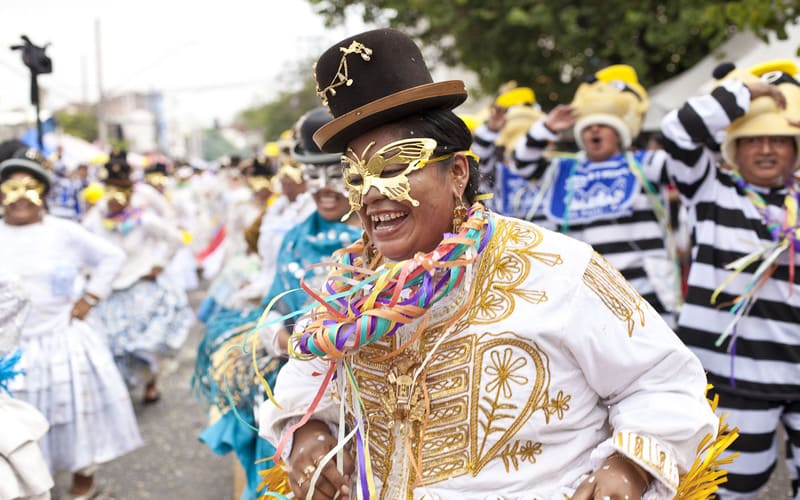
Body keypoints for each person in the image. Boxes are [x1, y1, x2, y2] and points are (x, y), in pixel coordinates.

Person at [259, 28, 730, 500]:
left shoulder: (558, 268)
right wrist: (306, 435)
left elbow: (663, 383)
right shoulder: (350, 289)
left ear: (458, 172)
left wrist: (627, 469)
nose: (373, 194)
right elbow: (305, 378)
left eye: (395, 165)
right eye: (356, 176)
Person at [194, 107, 362, 500]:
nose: (323, 187)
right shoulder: (294, 236)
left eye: (335, 173)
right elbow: (274, 308)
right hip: (302, 378)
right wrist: (287, 342)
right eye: (312, 173)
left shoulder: (387, 232)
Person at [660, 59, 800, 498]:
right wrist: (749, 90)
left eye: (778, 139)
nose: (765, 149)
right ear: (732, 147)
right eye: (751, 138)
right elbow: (678, 128)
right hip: (730, 381)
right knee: (727, 491)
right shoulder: (710, 188)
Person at [0, 146, 142, 499]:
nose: (20, 198)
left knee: (73, 414)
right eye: (10, 189)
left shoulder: (63, 232)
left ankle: (83, 481)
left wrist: (89, 298)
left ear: (45, 194)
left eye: (29, 188)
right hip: (8, 352)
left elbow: (111, 257)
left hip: (60, 340)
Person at [509, 65, 681, 327]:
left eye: (603, 125)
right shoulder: (563, 169)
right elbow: (521, 162)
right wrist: (547, 127)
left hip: (646, 297)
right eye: (588, 126)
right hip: (585, 301)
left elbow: (688, 165)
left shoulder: (645, 164)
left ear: (620, 131)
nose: (594, 131)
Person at [84, 150, 193, 404]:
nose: (116, 196)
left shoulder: (143, 217)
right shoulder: (94, 219)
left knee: (145, 342)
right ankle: (122, 387)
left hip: (141, 285)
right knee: (114, 344)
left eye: (122, 189)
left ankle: (151, 383)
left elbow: (175, 239)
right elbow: (83, 250)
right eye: (111, 188)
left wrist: (158, 264)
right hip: (111, 290)